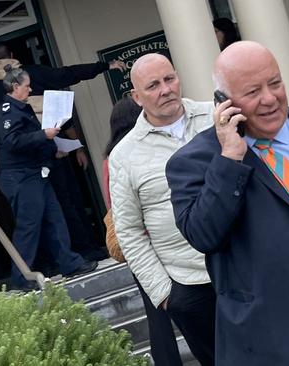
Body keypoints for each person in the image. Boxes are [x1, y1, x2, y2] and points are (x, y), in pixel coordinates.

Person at [166, 41, 289, 365]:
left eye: (274, 83)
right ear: (223, 101)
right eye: (252, 91)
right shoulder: (197, 161)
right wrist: (231, 157)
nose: (270, 98)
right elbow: (204, 235)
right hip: (287, 336)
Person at [0, 42, 123, 261]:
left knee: (36, 213)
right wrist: (104, 66)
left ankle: (53, 261)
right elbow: (68, 74)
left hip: (21, 165)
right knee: (67, 202)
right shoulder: (34, 74)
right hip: (53, 152)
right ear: (13, 55)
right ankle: (86, 250)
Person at [108, 53, 216, 365]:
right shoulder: (124, 156)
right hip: (189, 285)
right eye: (153, 85)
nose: (165, 89)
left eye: (169, 79)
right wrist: (165, 293)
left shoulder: (217, 116)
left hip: (248, 267)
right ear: (136, 97)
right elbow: (128, 231)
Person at [0, 65, 97, 290]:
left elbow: (29, 142)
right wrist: (44, 134)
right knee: (29, 226)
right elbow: (12, 142)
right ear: (15, 86)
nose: (30, 90)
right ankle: (22, 279)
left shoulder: (20, 108)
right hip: (20, 176)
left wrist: (53, 149)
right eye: (27, 86)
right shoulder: (7, 111)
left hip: (35, 172)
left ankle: (69, 263)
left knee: (54, 218)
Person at [103, 96, 182, 366]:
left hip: (137, 244)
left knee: (156, 313)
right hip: (159, 239)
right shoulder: (133, 152)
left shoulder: (109, 160)